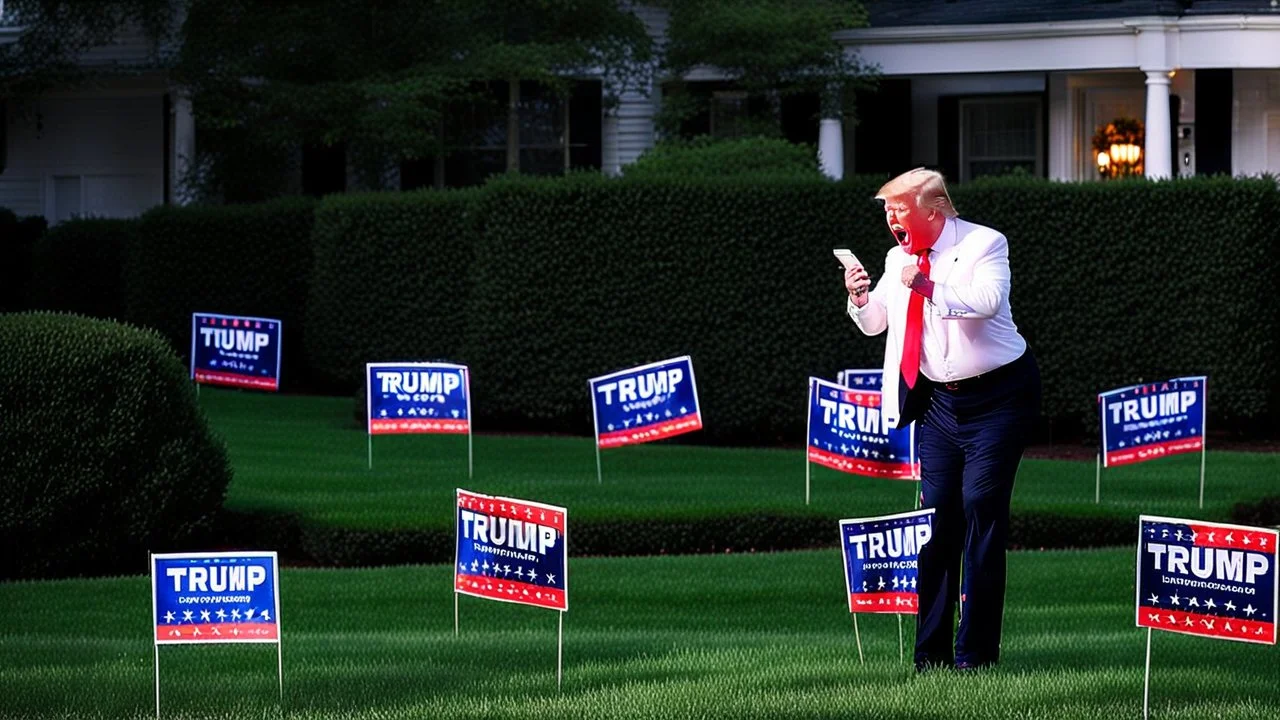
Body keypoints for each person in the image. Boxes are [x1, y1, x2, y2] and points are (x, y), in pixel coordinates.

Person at [844, 168, 1040, 672]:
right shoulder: (897, 257)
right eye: (887, 212)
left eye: (899, 210)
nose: (891, 220)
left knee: (981, 507)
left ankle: (975, 655)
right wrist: (861, 299)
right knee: (935, 524)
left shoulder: (985, 244)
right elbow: (877, 324)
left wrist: (927, 284)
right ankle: (929, 655)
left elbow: (986, 303)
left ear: (932, 212)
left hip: (1001, 397)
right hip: (938, 403)